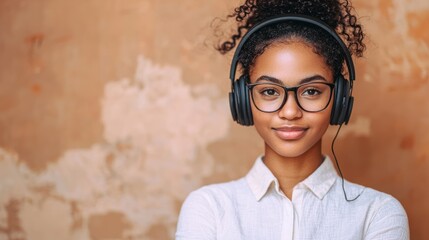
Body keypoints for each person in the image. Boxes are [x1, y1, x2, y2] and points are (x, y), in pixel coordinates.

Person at [176, 0, 409, 239]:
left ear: (339, 99)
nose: (290, 112)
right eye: (269, 91)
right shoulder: (208, 208)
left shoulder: (378, 213)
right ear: (243, 100)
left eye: (311, 91)